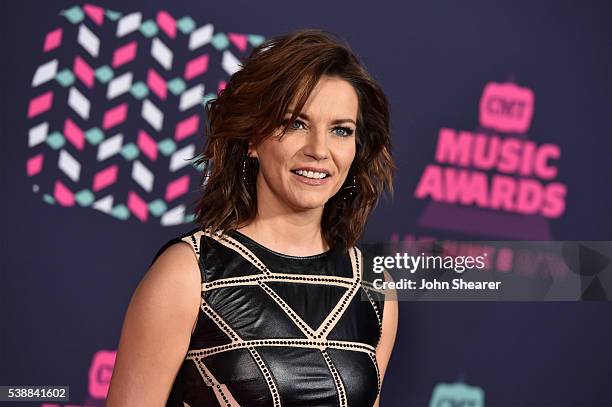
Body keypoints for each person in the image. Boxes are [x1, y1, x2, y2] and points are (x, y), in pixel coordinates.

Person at [107, 29, 397, 407]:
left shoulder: (374, 288)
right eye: (296, 124)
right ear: (253, 138)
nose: (319, 150)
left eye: (341, 131)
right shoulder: (188, 272)